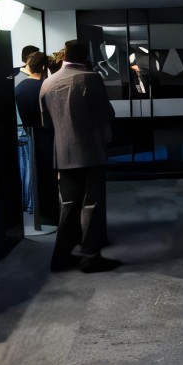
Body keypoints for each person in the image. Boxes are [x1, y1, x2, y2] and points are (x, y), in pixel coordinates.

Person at [39, 39, 120, 273]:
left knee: (68, 205)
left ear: (64, 55)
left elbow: (46, 123)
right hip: (91, 150)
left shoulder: (47, 82)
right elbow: (108, 112)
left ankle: (61, 257)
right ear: (86, 57)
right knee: (91, 204)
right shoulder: (91, 79)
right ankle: (90, 256)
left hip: (63, 152)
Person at [14, 52, 59, 226]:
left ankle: (37, 214)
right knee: (48, 179)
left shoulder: (19, 87)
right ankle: (50, 216)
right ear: (44, 67)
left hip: (29, 135)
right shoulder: (45, 87)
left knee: (32, 176)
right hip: (47, 136)